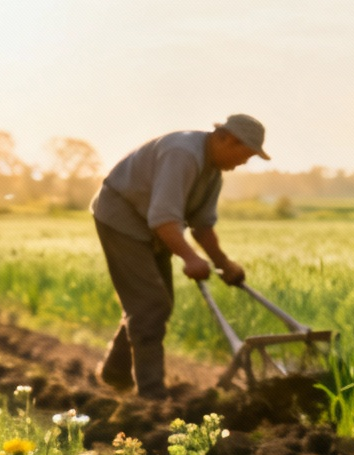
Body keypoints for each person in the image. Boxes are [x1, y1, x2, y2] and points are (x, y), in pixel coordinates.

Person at [89, 114, 270, 398]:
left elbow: (202, 226)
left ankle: (115, 372)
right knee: (150, 304)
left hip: (150, 224)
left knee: (156, 303)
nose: (244, 163)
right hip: (122, 217)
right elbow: (163, 218)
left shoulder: (213, 172)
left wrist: (223, 264)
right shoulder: (183, 154)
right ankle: (151, 394)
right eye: (245, 154)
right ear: (226, 139)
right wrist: (190, 258)